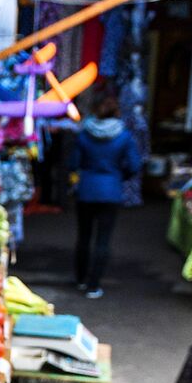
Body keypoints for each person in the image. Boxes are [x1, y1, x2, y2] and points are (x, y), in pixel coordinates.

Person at [70, 96, 142, 299]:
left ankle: (81, 279)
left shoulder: (84, 134)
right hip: (111, 192)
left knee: (84, 237)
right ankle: (94, 285)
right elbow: (134, 166)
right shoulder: (124, 136)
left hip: (86, 190)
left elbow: (73, 162)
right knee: (103, 240)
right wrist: (117, 177)